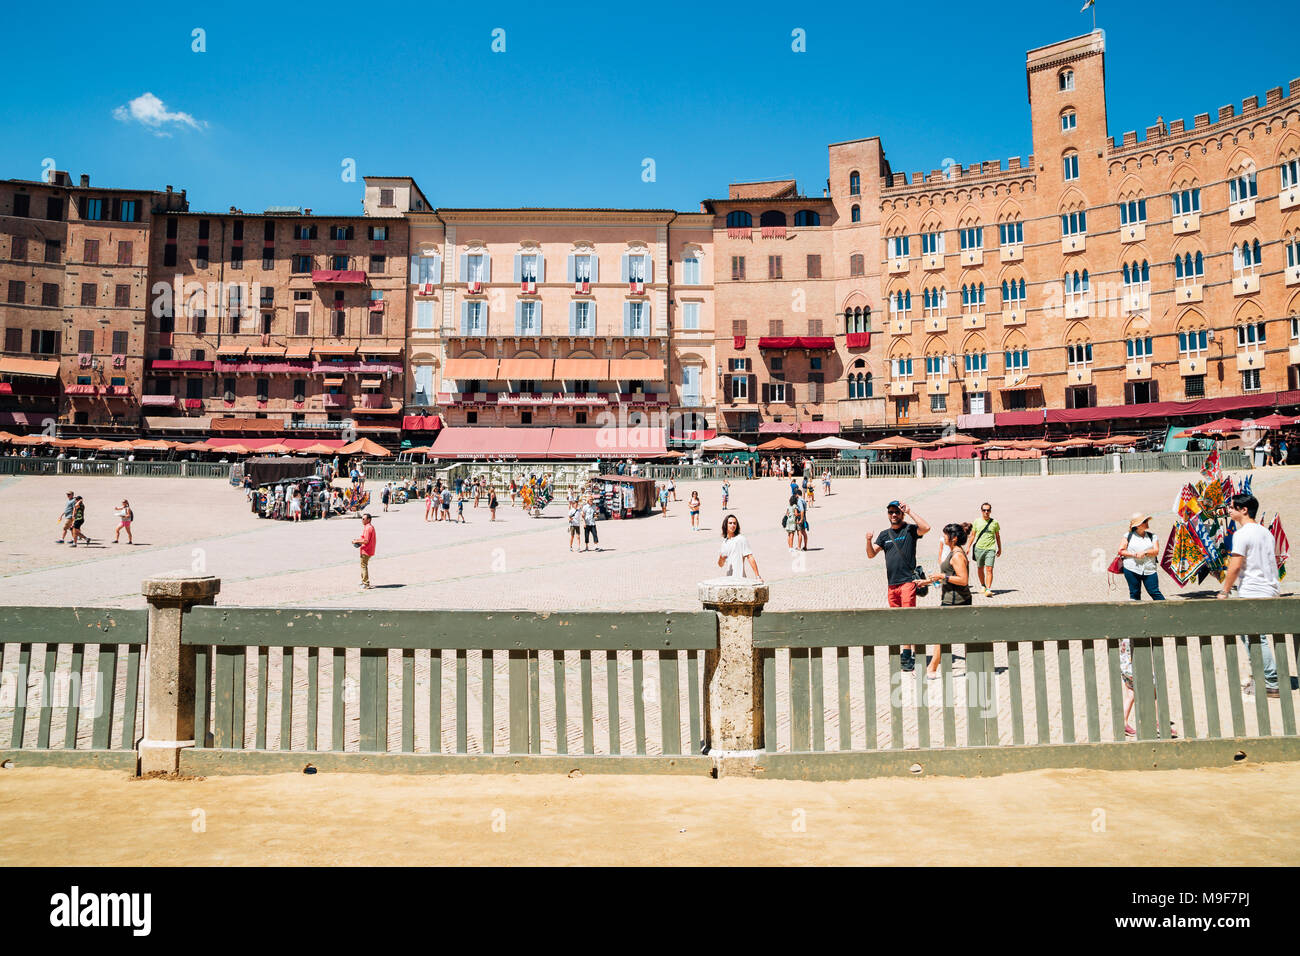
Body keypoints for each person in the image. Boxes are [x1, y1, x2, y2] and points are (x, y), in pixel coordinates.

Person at [1219, 492, 1281, 699]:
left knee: (1254, 637)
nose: (1228, 510)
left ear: (1243, 510)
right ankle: (1262, 678)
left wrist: (1224, 591)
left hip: (1253, 590)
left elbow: (1235, 566)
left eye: (1231, 507)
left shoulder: (1242, 534)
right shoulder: (1266, 533)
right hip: (1270, 588)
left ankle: (1271, 682)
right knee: (1256, 636)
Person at [864, 500, 931, 671]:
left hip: (908, 581)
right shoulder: (884, 535)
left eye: (896, 512)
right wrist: (868, 541)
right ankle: (907, 650)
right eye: (890, 512)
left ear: (901, 514)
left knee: (907, 618)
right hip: (892, 584)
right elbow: (871, 555)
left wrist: (909, 511)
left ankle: (907, 653)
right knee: (897, 619)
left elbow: (926, 527)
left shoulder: (909, 529)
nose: (893, 515)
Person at [925, 523, 973, 678]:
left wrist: (942, 576)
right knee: (949, 633)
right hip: (951, 599)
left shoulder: (957, 555)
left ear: (954, 538)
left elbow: (963, 580)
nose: (943, 537)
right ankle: (971, 665)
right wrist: (926, 582)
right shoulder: (953, 552)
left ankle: (932, 668)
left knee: (942, 633)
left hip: (956, 601)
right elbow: (948, 575)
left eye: (946, 534)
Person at [1118, 513, 1164, 601]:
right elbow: (1120, 551)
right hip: (1131, 568)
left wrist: (1145, 552)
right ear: (1137, 525)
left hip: (1149, 568)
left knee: (1154, 591)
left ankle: (1168, 610)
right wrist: (1134, 554)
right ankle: (1135, 613)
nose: (1147, 523)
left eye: (1146, 521)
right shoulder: (1128, 536)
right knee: (1134, 593)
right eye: (1144, 521)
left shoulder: (1152, 536)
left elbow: (1156, 551)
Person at [970, 502, 1003, 597]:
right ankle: (983, 585)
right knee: (980, 568)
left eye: (988, 510)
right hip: (979, 548)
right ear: (981, 511)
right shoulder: (977, 521)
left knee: (989, 569)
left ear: (990, 511)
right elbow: (973, 535)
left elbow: (997, 536)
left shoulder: (995, 523)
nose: (986, 512)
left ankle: (988, 589)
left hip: (991, 549)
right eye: (984, 510)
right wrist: (968, 547)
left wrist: (1000, 548)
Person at [718, 514, 761, 580]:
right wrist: (721, 559)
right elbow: (720, 565)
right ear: (725, 525)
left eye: (734, 523)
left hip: (740, 578)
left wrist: (757, 576)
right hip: (728, 579)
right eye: (730, 523)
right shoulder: (724, 542)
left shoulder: (741, 539)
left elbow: (750, 557)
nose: (733, 525)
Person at [352, 513, 376, 589]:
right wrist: (358, 540)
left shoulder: (368, 528)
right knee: (363, 565)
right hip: (368, 549)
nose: (362, 520)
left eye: (363, 519)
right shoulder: (369, 527)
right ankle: (363, 581)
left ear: (368, 520)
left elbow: (366, 541)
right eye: (361, 519)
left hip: (366, 550)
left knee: (364, 566)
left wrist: (356, 541)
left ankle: (366, 583)